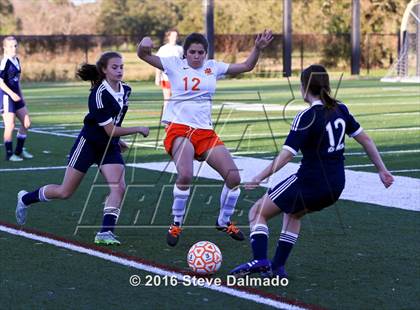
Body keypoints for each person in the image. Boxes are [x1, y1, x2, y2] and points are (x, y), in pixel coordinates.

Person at [230, 64, 395, 278]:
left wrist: (259, 177)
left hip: (310, 181)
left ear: (304, 87)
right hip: (335, 185)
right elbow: (366, 139)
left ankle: (260, 260)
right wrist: (382, 170)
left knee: (257, 212)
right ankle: (278, 267)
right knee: (293, 213)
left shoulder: (306, 117)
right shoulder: (341, 109)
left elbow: (286, 155)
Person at [137, 30, 274, 247]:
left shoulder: (213, 67)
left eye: (201, 52)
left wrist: (257, 48)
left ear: (206, 53)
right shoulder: (173, 64)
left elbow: (247, 66)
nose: (197, 56)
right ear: (186, 53)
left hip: (205, 132)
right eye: (192, 52)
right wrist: (145, 43)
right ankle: (176, 223)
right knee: (185, 175)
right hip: (179, 128)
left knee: (233, 177)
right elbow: (143, 55)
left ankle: (224, 220)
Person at [15, 51, 149, 245]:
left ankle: (105, 232)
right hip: (88, 144)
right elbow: (110, 129)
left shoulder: (126, 89)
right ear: (104, 70)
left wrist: (117, 141)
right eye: (114, 67)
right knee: (65, 192)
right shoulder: (98, 94)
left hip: (108, 145)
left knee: (119, 187)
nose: (119, 70)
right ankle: (25, 198)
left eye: (121, 67)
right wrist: (137, 129)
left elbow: (114, 122)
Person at [0, 36, 33, 161]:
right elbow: (0, 82)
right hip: (6, 96)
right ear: (5, 48)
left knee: (26, 123)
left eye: (15, 45)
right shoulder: (5, 62)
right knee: (10, 125)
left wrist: (21, 96)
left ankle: (19, 151)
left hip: (16, 96)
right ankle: (9, 154)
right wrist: (11, 94)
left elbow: (17, 81)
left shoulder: (17, 60)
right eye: (10, 46)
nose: (13, 48)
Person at [155, 29, 183, 110]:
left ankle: (175, 119)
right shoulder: (163, 49)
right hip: (166, 77)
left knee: (177, 99)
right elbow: (158, 63)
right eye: (173, 35)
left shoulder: (180, 49)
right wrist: (158, 77)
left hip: (178, 78)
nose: (175, 37)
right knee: (167, 99)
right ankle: (166, 119)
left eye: (176, 36)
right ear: (169, 37)